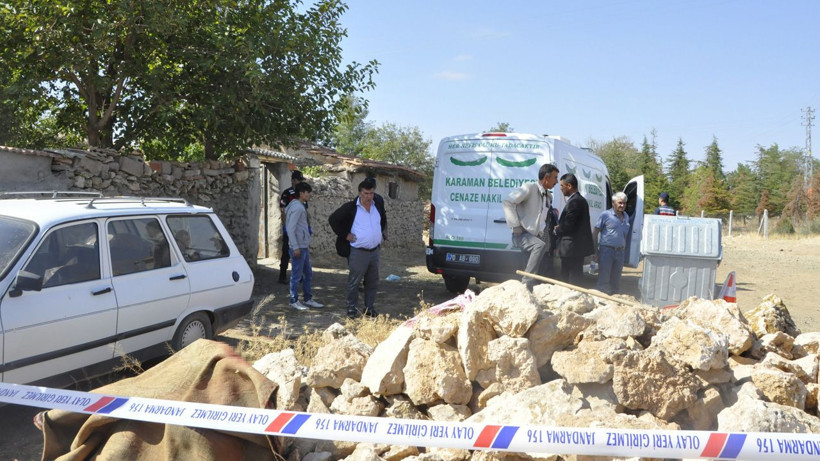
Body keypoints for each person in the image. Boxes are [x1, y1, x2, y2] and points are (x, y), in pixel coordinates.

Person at [328, 180, 387, 318]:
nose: (369, 196)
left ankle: (369, 308)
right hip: (358, 251)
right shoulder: (351, 208)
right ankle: (351, 308)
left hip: (374, 251)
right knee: (354, 282)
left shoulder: (377, 206)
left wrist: (379, 235)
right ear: (360, 193)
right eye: (366, 193)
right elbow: (333, 219)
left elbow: (383, 220)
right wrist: (345, 235)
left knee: (372, 281)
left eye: (371, 193)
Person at [501, 163, 560, 289]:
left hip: (539, 237)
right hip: (524, 235)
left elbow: (543, 219)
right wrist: (515, 225)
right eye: (555, 177)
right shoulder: (530, 188)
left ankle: (530, 289)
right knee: (539, 246)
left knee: (540, 269)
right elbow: (507, 201)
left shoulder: (548, 196)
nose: (557, 181)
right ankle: (526, 283)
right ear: (546, 178)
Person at [285, 182, 323, 310]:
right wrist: (295, 246)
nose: (310, 194)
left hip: (302, 246)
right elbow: (290, 228)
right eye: (308, 192)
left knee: (308, 273)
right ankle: (293, 300)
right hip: (298, 247)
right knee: (296, 275)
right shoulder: (298, 207)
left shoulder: (297, 205)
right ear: (301, 193)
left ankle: (307, 298)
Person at [555, 173, 595, 285]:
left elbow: (569, 225)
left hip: (572, 249)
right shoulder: (577, 200)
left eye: (562, 186)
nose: (561, 189)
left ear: (569, 186)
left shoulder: (575, 201)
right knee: (572, 278)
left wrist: (557, 229)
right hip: (574, 249)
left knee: (570, 280)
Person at [592, 192, 631, 294]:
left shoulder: (626, 216)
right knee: (604, 279)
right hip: (607, 251)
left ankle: (614, 298)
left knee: (616, 280)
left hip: (620, 252)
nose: (622, 205)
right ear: (613, 203)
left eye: (624, 203)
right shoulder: (605, 215)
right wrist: (595, 252)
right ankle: (602, 298)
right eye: (620, 203)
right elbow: (595, 233)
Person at [278, 170, 305, 284]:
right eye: (299, 180)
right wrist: (286, 226)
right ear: (293, 180)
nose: (300, 182)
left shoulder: (302, 194)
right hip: (290, 227)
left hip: (300, 228)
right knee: (286, 252)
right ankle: (282, 276)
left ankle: (298, 275)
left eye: (301, 180)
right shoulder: (287, 193)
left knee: (300, 251)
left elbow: (305, 211)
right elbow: (283, 211)